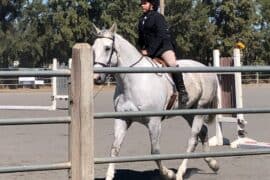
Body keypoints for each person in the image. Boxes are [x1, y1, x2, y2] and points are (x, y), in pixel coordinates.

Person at [138, 0, 188, 107]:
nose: (142, 5)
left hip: (163, 48)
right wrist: (139, 49)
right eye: (141, 3)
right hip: (149, 50)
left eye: (144, 3)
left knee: (172, 64)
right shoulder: (142, 19)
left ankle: (182, 91)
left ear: (152, 5)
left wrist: (149, 51)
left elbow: (161, 36)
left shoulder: (158, 17)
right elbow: (141, 38)